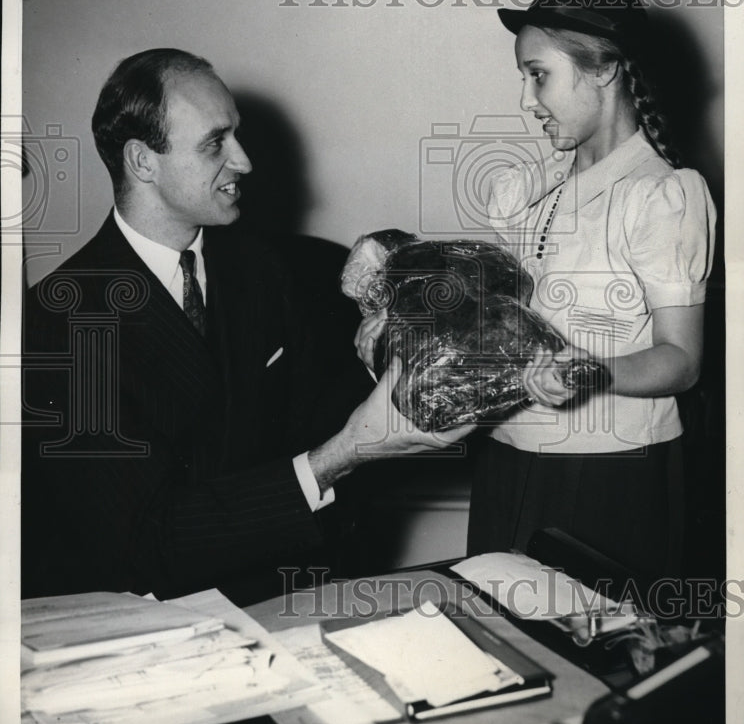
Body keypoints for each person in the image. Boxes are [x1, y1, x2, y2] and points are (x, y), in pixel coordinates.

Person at [21, 48, 473, 602]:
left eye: (235, 134)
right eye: (216, 142)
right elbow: (145, 544)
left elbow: (311, 421)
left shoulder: (262, 268)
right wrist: (342, 455)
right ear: (142, 161)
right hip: (156, 625)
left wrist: (377, 352)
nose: (244, 160)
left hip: (287, 592)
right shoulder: (60, 320)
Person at [357, 0, 716, 583]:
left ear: (604, 69)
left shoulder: (663, 195)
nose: (527, 99)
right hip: (507, 461)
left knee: (599, 654)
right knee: (501, 631)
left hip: (609, 473)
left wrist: (594, 371)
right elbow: (489, 318)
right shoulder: (529, 189)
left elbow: (682, 360)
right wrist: (402, 316)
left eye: (538, 75)